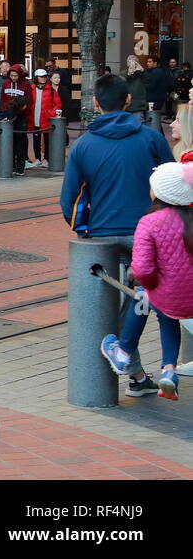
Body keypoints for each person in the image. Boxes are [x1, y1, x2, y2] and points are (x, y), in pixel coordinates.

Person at [61, 73, 175, 396]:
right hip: (147, 234)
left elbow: (68, 200)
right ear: (128, 101)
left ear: (96, 104)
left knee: (118, 304)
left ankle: (132, 370)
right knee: (140, 301)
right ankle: (135, 373)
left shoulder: (83, 146)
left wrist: (85, 231)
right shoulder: (151, 138)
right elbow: (172, 184)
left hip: (101, 238)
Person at [100, 162, 193, 400]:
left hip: (167, 295)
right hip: (187, 299)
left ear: (158, 192)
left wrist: (145, 282)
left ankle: (123, 352)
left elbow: (142, 268)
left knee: (142, 294)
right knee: (166, 314)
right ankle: (168, 370)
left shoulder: (149, 222)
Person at [0, 64, 33, 176]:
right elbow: (2, 98)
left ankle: (20, 167)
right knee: (8, 141)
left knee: (20, 142)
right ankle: (10, 166)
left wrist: (23, 110)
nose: (14, 78)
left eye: (16, 75)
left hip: (21, 115)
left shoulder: (26, 84)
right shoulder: (6, 83)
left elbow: (29, 101)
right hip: (8, 114)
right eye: (12, 75)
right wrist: (2, 113)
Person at [28, 69, 62, 168]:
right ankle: (37, 158)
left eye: (44, 76)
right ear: (36, 78)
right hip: (34, 118)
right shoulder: (32, 89)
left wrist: (50, 113)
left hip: (46, 118)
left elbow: (58, 104)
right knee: (36, 139)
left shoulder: (51, 90)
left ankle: (46, 159)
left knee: (47, 140)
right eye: (41, 76)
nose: (43, 78)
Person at [144, 55, 174, 121]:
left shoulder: (156, 72)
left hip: (154, 98)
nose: (147, 63)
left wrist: (143, 85)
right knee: (154, 117)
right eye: (147, 62)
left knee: (152, 117)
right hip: (158, 97)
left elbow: (151, 86)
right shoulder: (161, 71)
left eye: (150, 62)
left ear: (155, 63)